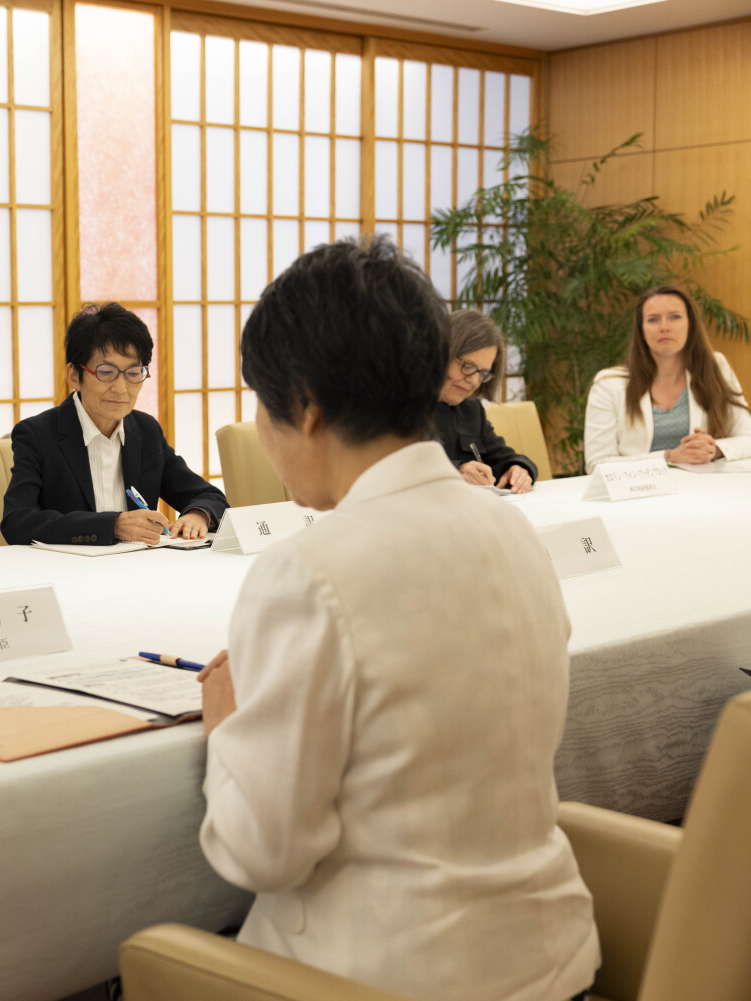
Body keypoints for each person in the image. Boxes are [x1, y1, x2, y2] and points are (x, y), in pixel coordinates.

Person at [195, 237, 599, 1001]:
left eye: (261, 404)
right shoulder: (511, 530)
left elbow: (263, 853)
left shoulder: (308, 571)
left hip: (390, 976)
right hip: (555, 963)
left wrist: (225, 730)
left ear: (305, 404)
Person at [0, 303, 227, 546]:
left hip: (137, 571)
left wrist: (197, 514)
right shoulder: (37, 435)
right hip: (67, 572)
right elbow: (17, 522)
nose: (121, 389)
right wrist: (113, 525)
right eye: (106, 372)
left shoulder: (145, 430)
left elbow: (209, 496)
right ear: (75, 376)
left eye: (133, 373)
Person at [583, 285, 751, 473]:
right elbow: (596, 464)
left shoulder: (716, 367)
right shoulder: (609, 384)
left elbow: (748, 437)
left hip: (703, 490)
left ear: (690, 324)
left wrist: (715, 450)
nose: (664, 327)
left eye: (675, 317)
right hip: (638, 495)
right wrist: (668, 457)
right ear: (642, 330)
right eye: (653, 320)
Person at [434, 310, 537, 493]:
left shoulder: (471, 408)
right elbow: (395, 467)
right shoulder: (402, 405)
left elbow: (502, 456)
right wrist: (455, 471)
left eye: (482, 373)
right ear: (442, 353)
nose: (474, 381)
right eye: (468, 366)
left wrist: (518, 469)